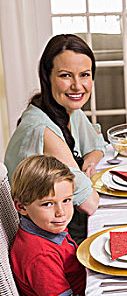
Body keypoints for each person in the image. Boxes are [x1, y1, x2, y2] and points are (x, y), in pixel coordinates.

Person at [4, 34, 106, 242]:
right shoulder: (42, 129)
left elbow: (97, 145)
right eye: (66, 76)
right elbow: (90, 203)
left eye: (85, 75)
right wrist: (83, 177)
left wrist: (88, 162)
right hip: (41, 241)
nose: (77, 86)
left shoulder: (67, 110)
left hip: (57, 226)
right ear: (47, 77)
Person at [10, 155, 86, 296]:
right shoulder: (40, 255)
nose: (61, 212)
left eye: (66, 200)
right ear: (21, 207)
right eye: (48, 204)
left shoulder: (47, 229)